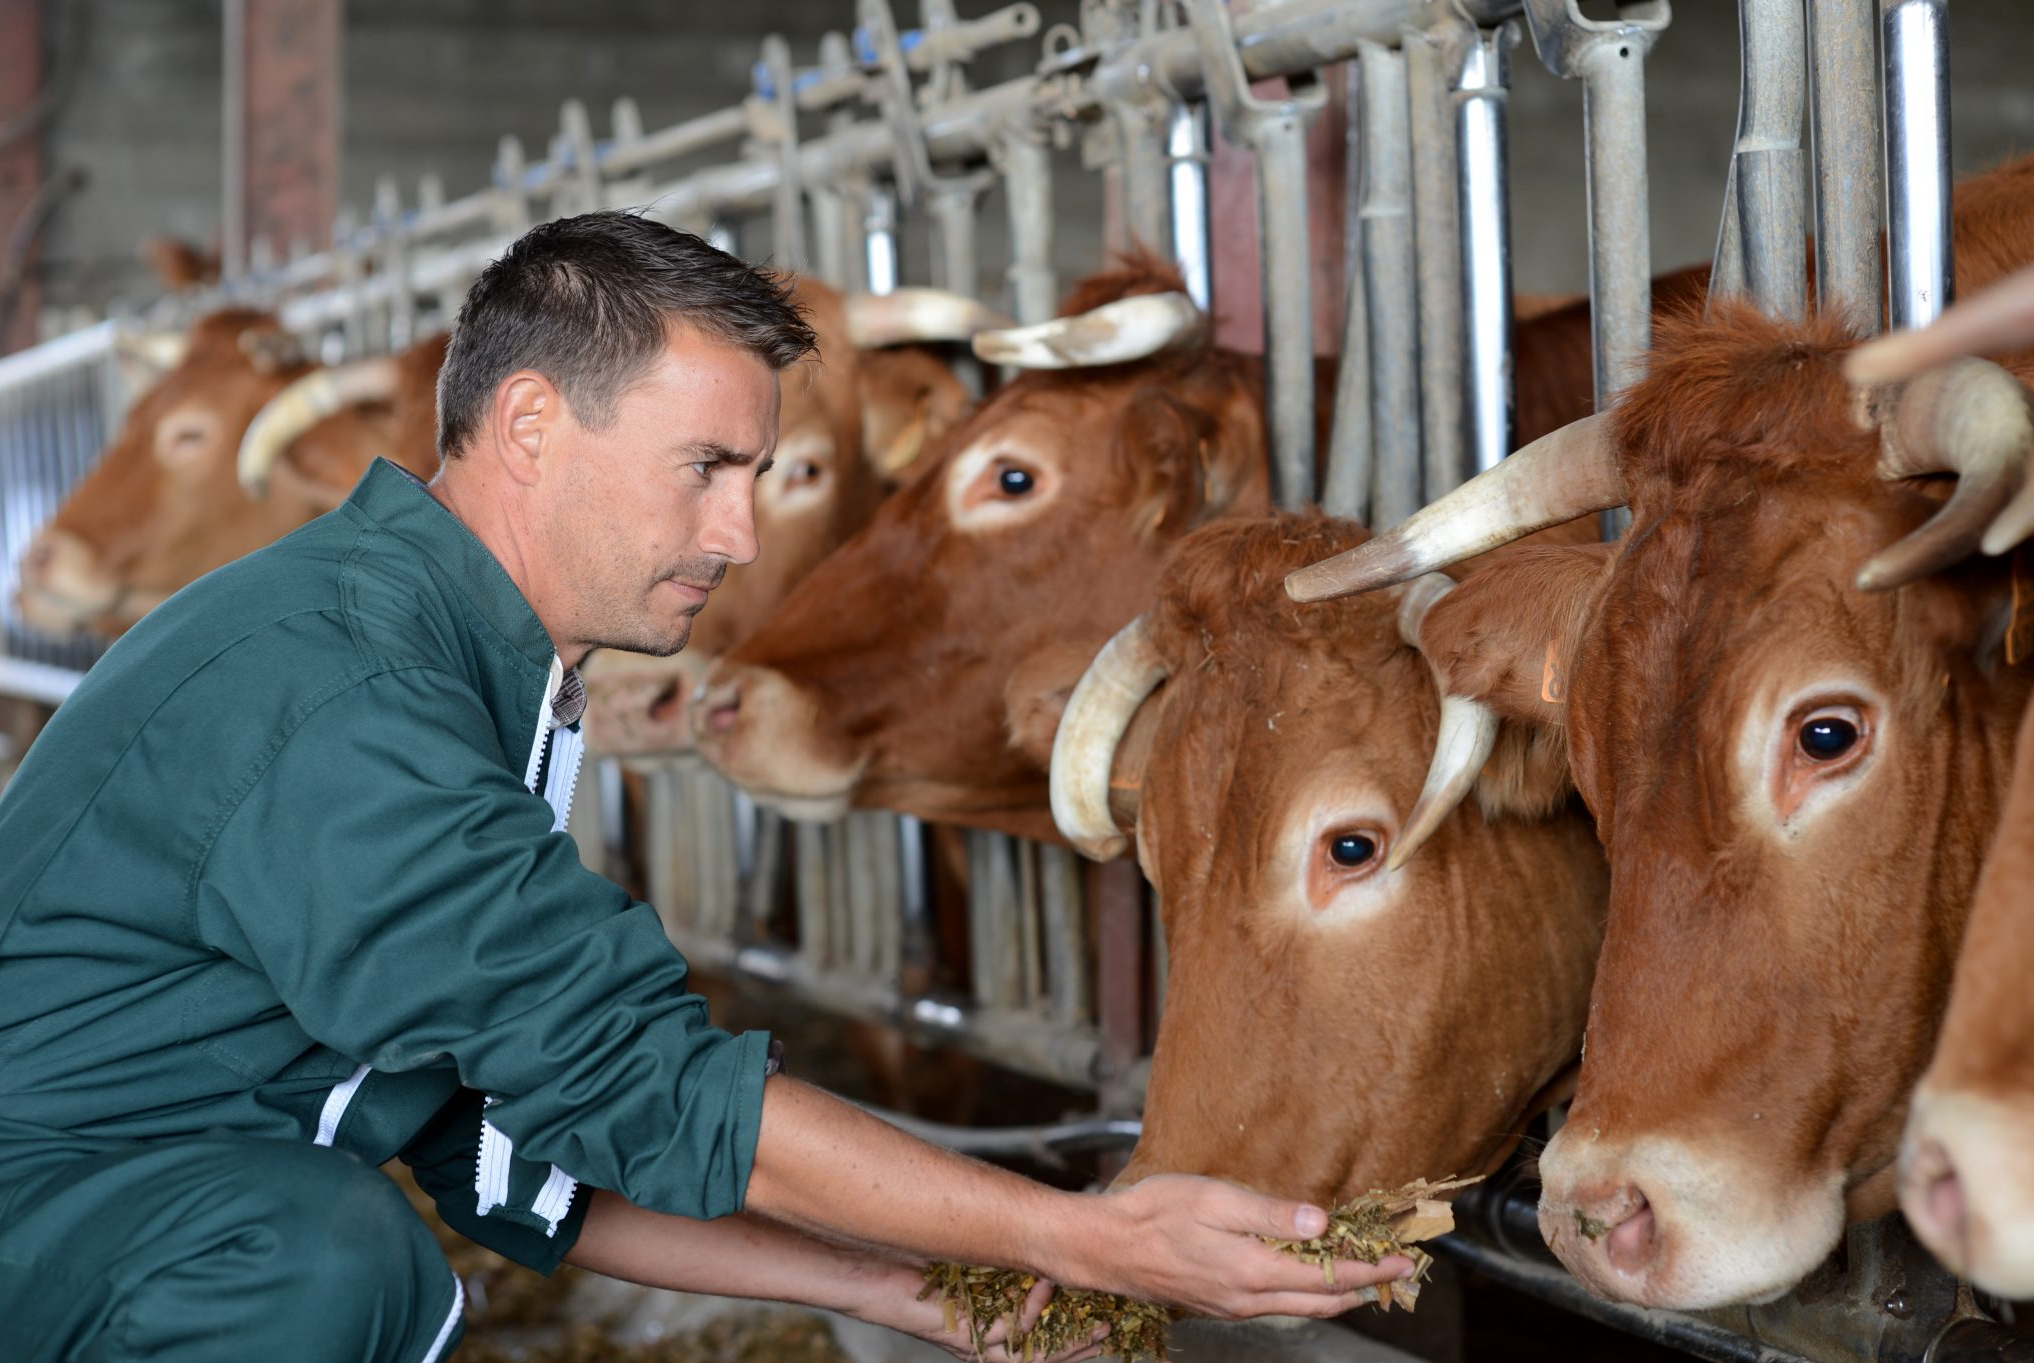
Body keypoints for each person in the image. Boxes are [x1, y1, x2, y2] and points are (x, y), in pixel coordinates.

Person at [0, 211, 1411, 1363]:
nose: (738, 532)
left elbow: (502, 1149)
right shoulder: (352, 694)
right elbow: (635, 1079)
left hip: (96, 1201)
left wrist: (915, 1293)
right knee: (317, 1259)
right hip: (50, 1215)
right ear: (534, 425)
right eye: (703, 469)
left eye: (754, 473)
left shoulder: (430, 647)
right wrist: (1079, 1236)